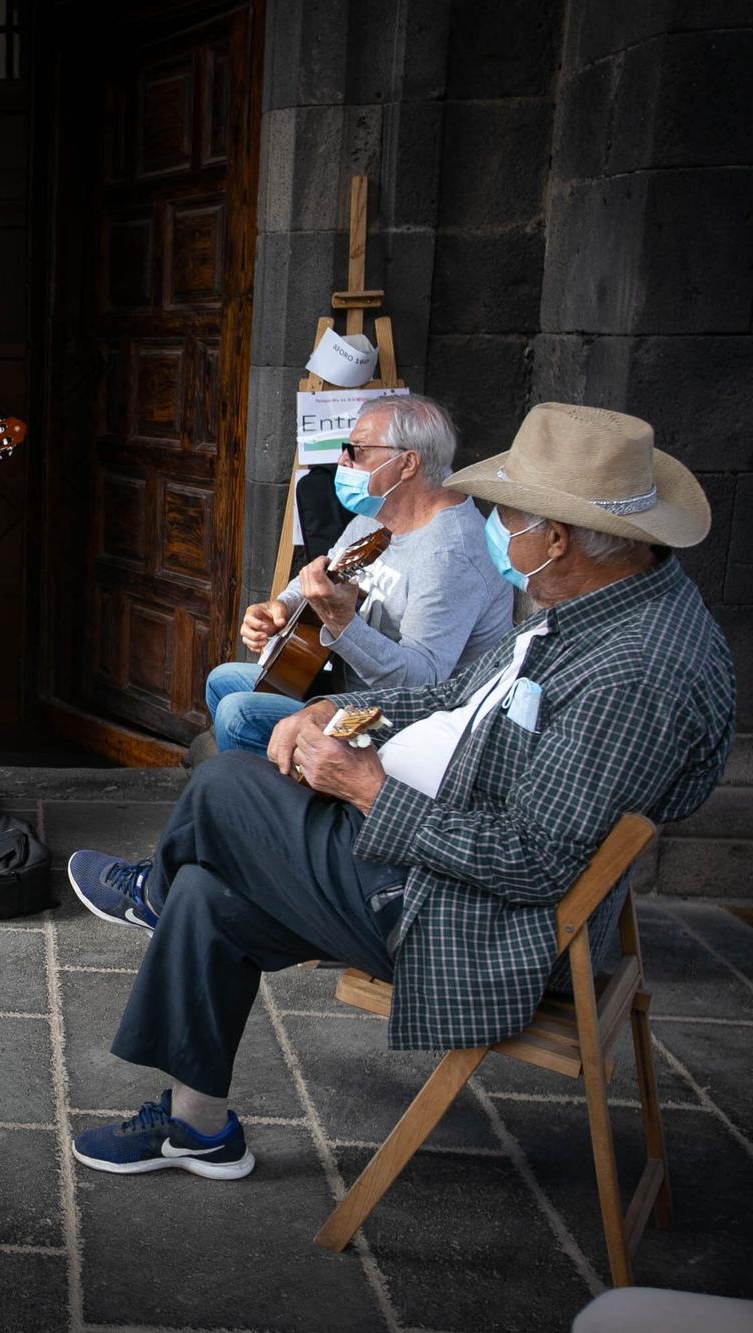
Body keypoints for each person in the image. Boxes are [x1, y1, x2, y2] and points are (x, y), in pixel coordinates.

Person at [63, 403, 733, 1182]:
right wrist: (329, 711)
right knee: (209, 890)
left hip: (469, 921)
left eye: (508, 516)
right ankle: (197, 1127)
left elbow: (536, 863)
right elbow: (457, 697)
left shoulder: (632, 671)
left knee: (223, 788)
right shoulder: (598, 604)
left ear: (556, 539)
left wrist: (371, 789)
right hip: (449, 855)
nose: (495, 528)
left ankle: (149, 887)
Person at [203, 394, 513, 758]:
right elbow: (328, 570)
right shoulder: (381, 511)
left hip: (402, 722)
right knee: (220, 681)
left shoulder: (450, 553)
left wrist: (341, 621)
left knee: (238, 715)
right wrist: (280, 607)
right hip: (348, 686)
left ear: (407, 463)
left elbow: (422, 685)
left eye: (358, 451)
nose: (342, 461)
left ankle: (290, 807)